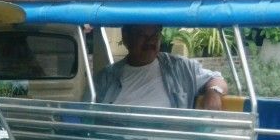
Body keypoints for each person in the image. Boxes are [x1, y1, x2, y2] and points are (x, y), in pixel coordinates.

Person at [93, 24, 228, 110]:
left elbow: (216, 78)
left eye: (155, 35)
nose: (150, 41)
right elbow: (89, 116)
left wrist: (214, 93)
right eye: (142, 35)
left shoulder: (180, 67)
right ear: (126, 37)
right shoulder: (105, 78)